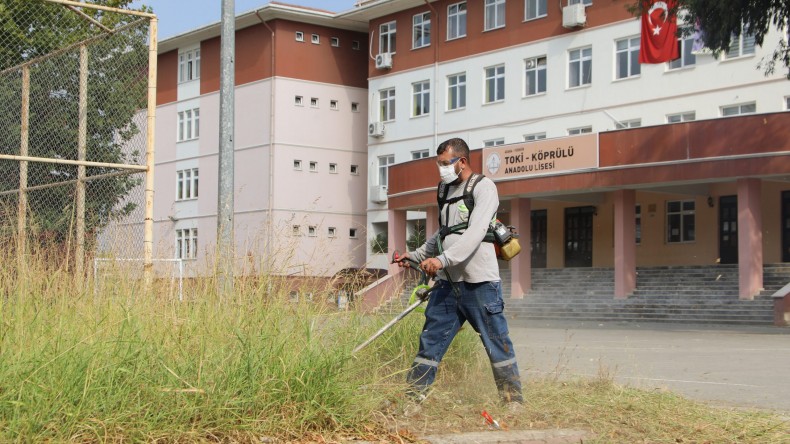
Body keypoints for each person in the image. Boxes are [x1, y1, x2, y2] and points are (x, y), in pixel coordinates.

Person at [396, 137, 523, 405]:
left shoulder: (484, 187)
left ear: (461, 161)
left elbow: (475, 233)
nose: (440, 169)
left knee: (496, 343)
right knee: (430, 342)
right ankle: (412, 400)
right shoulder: (443, 190)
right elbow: (445, 232)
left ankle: (512, 402)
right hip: (447, 284)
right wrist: (418, 256)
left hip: (480, 284)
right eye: (438, 164)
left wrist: (442, 260)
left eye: (445, 163)